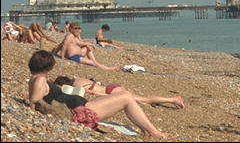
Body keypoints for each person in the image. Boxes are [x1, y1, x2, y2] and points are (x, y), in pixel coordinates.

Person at [28, 50, 171, 138]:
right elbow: (35, 100)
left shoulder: (36, 78)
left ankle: (148, 130)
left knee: (125, 98)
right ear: (48, 65)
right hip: (83, 111)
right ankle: (153, 132)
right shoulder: (40, 79)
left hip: (81, 107)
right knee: (126, 98)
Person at [54, 76, 185, 108]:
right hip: (111, 87)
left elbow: (94, 93)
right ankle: (171, 100)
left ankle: (174, 99)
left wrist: (108, 97)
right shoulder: (78, 79)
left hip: (110, 91)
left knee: (146, 100)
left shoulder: (76, 85)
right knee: (143, 100)